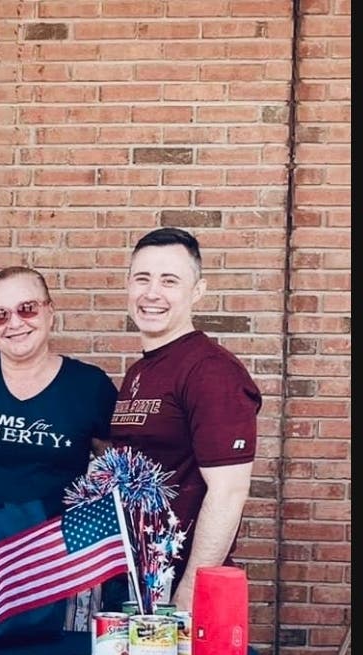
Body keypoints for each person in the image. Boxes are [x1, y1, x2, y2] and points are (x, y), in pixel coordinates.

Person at [0, 265, 118, 642]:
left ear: (50, 311)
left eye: (26, 308)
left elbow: (114, 471)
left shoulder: (89, 386)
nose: (14, 323)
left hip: (44, 569)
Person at [104, 227, 262, 615]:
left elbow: (228, 493)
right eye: (142, 278)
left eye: (169, 281)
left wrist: (189, 594)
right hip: (137, 582)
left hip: (179, 592)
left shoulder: (211, 371)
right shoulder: (142, 371)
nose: (152, 293)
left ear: (197, 291)